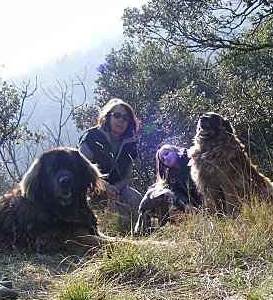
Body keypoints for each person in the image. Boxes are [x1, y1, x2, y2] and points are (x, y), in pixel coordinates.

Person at [79, 98, 142, 229]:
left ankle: (127, 232)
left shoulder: (130, 143)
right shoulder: (91, 137)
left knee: (134, 197)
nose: (121, 120)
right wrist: (106, 187)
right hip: (90, 189)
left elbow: (126, 178)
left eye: (125, 118)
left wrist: (115, 190)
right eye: (117, 115)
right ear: (108, 117)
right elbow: (82, 169)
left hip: (116, 191)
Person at [134, 144, 201, 234]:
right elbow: (176, 193)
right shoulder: (170, 177)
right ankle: (188, 226)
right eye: (163, 160)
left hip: (207, 197)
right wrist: (185, 203)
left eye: (166, 153)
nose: (166, 158)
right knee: (164, 199)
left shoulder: (191, 157)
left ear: (173, 150)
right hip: (191, 205)